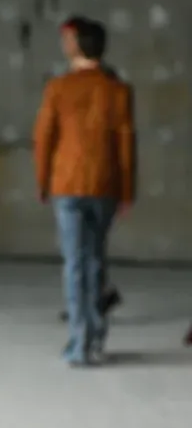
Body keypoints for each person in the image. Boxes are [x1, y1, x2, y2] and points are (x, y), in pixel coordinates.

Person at [35, 18, 135, 365]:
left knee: (75, 263)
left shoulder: (59, 87)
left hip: (67, 184)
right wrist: (127, 190)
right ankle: (95, 338)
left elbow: (44, 138)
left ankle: (80, 342)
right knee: (95, 260)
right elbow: (126, 145)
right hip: (105, 185)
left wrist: (42, 180)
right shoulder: (118, 90)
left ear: (76, 46)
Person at [57, 16, 125, 319]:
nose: (65, 44)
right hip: (92, 180)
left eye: (69, 39)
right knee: (89, 252)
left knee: (81, 254)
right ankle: (90, 311)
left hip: (78, 180)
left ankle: (84, 317)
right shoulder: (107, 85)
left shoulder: (75, 85)